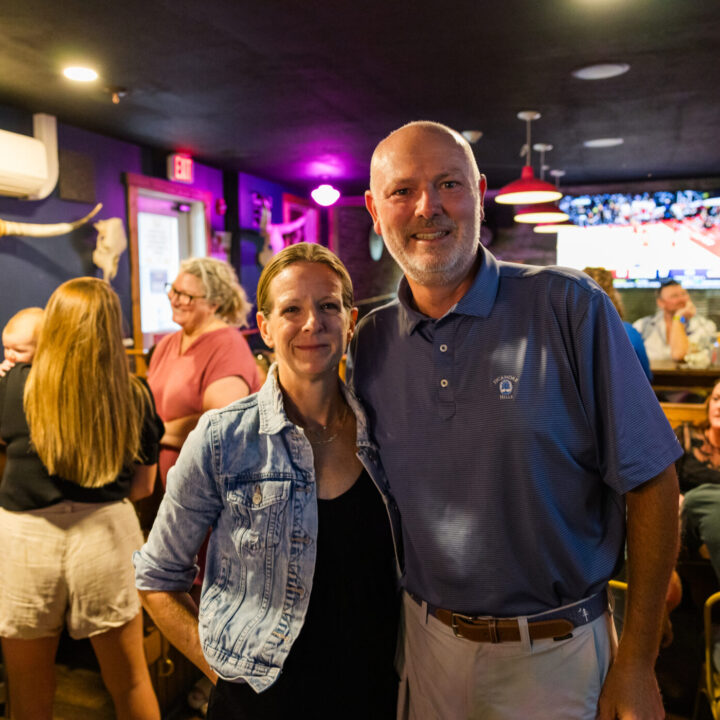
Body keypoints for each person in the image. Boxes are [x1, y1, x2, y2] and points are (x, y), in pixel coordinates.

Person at [350, 121, 681, 720]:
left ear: (479, 193)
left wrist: (635, 663)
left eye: (448, 184)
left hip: (556, 656)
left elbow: (653, 483)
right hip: (425, 649)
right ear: (375, 210)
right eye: (403, 191)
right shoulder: (368, 341)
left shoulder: (571, 307)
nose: (428, 207)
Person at [134, 243, 400, 720]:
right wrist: (223, 672)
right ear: (265, 326)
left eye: (328, 306)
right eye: (291, 309)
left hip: (375, 695)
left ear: (351, 319)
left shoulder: (386, 432)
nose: (311, 323)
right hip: (258, 705)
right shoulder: (222, 438)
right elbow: (156, 581)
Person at [0, 277, 162, 720]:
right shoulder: (133, 394)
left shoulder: (15, 385)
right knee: (129, 682)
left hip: (26, 539)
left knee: (29, 690)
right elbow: (144, 488)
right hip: (106, 535)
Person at [582, 267, 652, 381]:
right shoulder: (626, 332)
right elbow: (646, 377)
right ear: (612, 295)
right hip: (623, 397)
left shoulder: (562, 335)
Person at [633, 278, 717, 364]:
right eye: (674, 296)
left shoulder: (705, 326)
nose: (681, 299)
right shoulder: (642, 326)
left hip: (690, 377)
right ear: (660, 303)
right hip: (650, 376)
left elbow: (678, 355)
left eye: (684, 294)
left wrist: (678, 318)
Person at [0, 306, 44, 377]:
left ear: (40, 350)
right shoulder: (5, 367)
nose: (10, 355)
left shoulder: (41, 374)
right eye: (6, 348)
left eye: (19, 351)